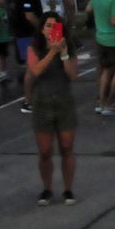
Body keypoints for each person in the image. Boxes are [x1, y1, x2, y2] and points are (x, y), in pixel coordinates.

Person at [28, 15, 80, 206]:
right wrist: (51, 52)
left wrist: (64, 54)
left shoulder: (69, 49)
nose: (51, 29)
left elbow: (73, 75)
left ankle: (68, 189)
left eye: (55, 26)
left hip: (64, 102)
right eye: (48, 26)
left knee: (66, 148)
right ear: (42, 29)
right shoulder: (34, 49)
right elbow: (36, 71)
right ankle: (47, 188)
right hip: (43, 103)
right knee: (45, 151)